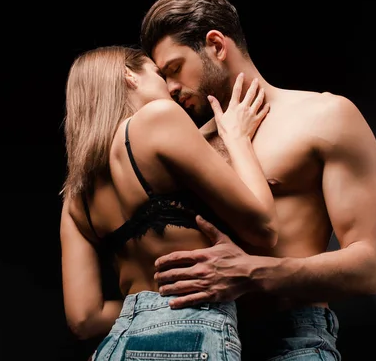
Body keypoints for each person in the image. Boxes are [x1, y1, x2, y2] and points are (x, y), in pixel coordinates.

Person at [140, 0, 376, 360]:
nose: (171, 88)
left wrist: (251, 273)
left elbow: (370, 267)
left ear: (216, 45)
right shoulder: (188, 146)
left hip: (294, 340)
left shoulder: (325, 117)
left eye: (174, 68)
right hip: (202, 340)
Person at [60, 44, 279, 361]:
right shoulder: (157, 119)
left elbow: (84, 318)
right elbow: (265, 228)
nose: (172, 89)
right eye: (160, 73)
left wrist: (146, 306)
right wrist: (238, 139)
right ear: (130, 76)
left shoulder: (75, 192)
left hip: (115, 345)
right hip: (188, 334)